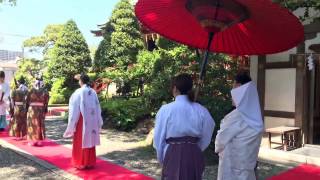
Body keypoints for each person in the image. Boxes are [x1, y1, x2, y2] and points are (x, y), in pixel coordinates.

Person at [154, 73, 215, 180]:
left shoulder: (166, 110)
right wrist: (197, 147)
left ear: (175, 89)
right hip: (193, 152)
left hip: (172, 152)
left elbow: (159, 138)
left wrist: (161, 158)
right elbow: (208, 130)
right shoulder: (200, 109)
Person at [215, 71, 264, 180]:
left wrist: (218, 149)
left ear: (239, 87)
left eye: (233, 86)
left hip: (232, 165)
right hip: (248, 165)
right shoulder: (256, 115)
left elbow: (220, 139)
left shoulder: (236, 116)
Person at [63, 74, 103, 170]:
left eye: (79, 80)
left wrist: (72, 122)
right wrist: (98, 120)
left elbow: (74, 107)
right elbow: (98, 107)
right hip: (92, 119)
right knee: (90, 140)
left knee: (81, 139)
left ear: (81, 81)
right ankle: (89, 162)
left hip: (82, 119)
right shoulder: (93, 92)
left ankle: (81, 162)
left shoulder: (79, 91)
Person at [26, 77, 49, 146]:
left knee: (32, 124)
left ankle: (32, 140)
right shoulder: (45, 91)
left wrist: (27, 109)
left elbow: (27, 100)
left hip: (32, 109)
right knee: (39, 124)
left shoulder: (31, 90)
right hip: (40, 109)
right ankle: (39, 140)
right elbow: (46, 102)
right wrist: (45, 110)